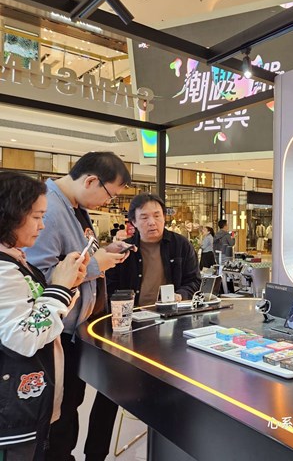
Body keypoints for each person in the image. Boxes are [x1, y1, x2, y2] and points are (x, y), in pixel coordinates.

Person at [25, 152, 132, 461]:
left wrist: (104, 253)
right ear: (90, 181)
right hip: (54, 334)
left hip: (73, 331)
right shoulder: (50, 210)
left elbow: (77, 256)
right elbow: (40, 278)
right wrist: (97, 265)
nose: (108, 202)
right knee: (58, 417)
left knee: (69, 407)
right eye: (109, 194)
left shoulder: (74, 207)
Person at [85, 193, 200, 461]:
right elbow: (108, 286)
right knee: (109, 392)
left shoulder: (180, 245)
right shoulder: (123, 250)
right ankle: (94, 455)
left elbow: (194, 281)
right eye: (145, 217)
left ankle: (172, 450)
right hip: (128, 330)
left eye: (157, 216)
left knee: (175, 392)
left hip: (169, 329)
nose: (152, 222)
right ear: (133, 222)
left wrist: (180, 295)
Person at [0, 172, 88, 461]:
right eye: (37, 217)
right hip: (12, 412)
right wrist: (60, 287)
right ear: (10, 214)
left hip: (25, 403)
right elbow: (23, 337)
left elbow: (37, 310)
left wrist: (68, 284)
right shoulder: (4, 270)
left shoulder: (15, 259)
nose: (42, 225)